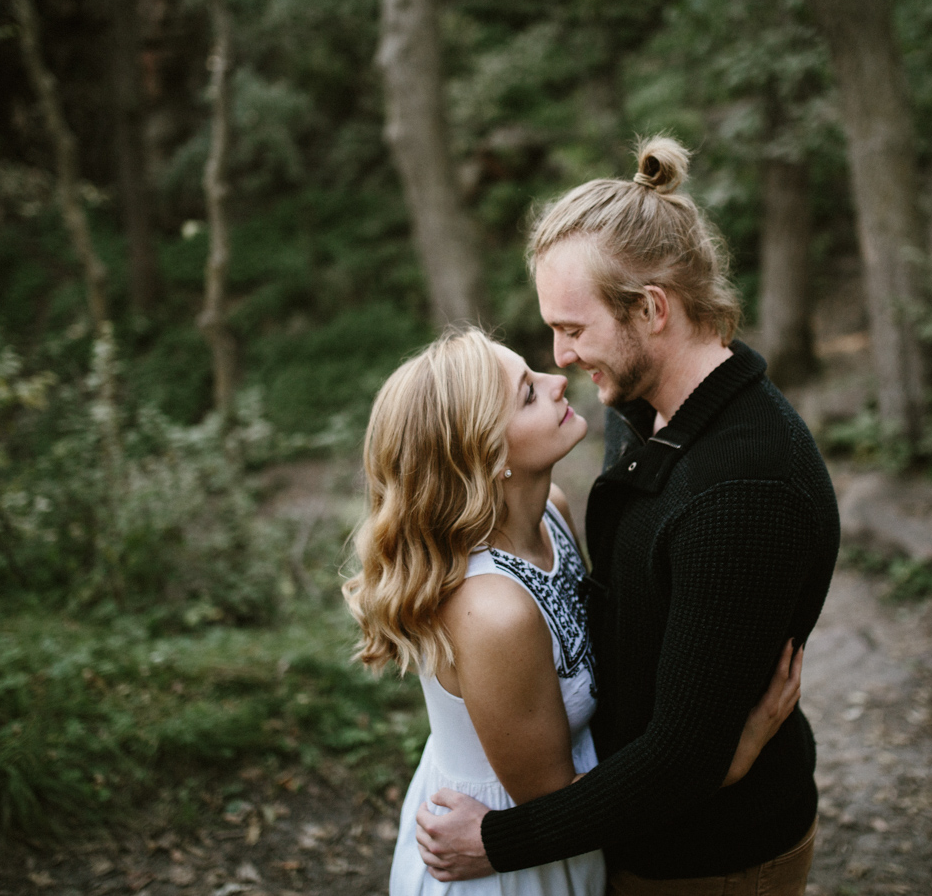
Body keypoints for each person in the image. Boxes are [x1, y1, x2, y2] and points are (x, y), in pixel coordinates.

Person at [415, 138, 841, 896]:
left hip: (711, 860)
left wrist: (497, 839)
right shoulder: (645, 408)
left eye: (574, 329)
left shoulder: (742, 489)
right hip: (636, 830)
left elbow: (681, 758)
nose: (561, 355)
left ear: (651, 309)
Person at [344, 328, 804, 896]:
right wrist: (726, 761)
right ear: (487, 456)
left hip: (573, 821)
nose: (558, 380)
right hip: (511, 858)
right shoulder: (493, 613)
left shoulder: (551, 515)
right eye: (529, 394)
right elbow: (554, 805)